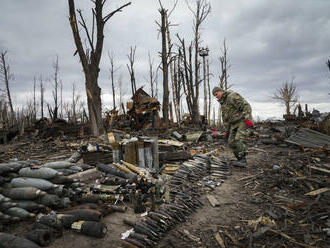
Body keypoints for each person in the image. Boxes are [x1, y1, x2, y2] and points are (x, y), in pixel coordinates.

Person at [212, 87, 253, 167]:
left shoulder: (232, 96)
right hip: (234, 123)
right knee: (231, 142)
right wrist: (227, 131)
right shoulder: (223, 103)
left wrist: (248, 119)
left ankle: (243, 160)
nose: (216, 96)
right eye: (214, 95)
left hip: (243, 120)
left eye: (216, 94)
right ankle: (239, 159)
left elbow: (246, 106)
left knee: (239, 139)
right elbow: (226, 118)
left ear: (221, 91)